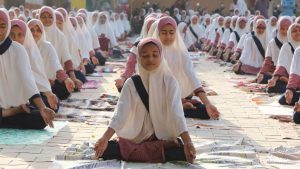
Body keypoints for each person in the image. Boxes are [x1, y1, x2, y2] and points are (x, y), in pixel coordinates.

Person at [94, 38, 196, 163]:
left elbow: (177, 113)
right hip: (136, 138)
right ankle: (160, 148)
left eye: (155, 55)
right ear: (139, 58)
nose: (150, 59)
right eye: (145, 55)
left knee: (182, 153)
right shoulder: (131, 83)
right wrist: (105, 138)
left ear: (161, 56)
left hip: (162, 135)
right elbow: (120, 114)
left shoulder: (170, 82)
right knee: (106, 150)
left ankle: (158, 147)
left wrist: (187, 142)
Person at [152, 16, 220, 119]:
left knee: (204, 112)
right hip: (155, 96)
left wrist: (207, 103)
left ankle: (177, 107)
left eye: (171, 33)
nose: (168, 36)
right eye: (164, 33)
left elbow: (192, 76)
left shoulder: (181, 53)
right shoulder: (152, 51)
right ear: (158, 33)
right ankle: (177, 108)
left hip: (176, 96)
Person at [0, 8, 55, 129]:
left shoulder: (18, 50)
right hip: (9, 112)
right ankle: (11, 113)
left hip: (15, 103)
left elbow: (27, 81)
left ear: (7, 27)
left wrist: (42, 107)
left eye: (3, 26)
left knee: (41, 119)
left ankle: (7, 116)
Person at [10, 19, 59, 112]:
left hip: (31, 93)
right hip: (9, 98)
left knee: (49, 106)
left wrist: (48, 93)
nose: (15, 39)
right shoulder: (4, 51)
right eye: (11, 35)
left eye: (20, 35)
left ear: (25, 36)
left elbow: (36, 77)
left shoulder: (30, 52)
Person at [28, 19, 75, 100]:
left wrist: (66, 79)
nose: (35, 33)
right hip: (29, 86)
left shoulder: (47, 46)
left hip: (48, 83)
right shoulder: (24, 47)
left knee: (64, 90)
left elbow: (55, 64)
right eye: (31, 30)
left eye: (38, 30)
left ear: (42, 32)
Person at [39, 6, 83, 90]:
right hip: (37, 77)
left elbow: (66, 58)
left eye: (50, 17)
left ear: (54, 18)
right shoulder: (35, 34)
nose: (47, 20)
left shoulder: (60, 36)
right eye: (43, 17)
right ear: (39, 18)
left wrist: (73, 78)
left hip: (55, 75)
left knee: (66, 90)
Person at [256, 17, 292, 85]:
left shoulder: (295, 43)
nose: (285, 31)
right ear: (278, 28)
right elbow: (267, 61)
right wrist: (262, 73)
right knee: (263, 79)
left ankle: (287, 81)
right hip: (276, 71)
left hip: (291, 72)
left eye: (287, 29)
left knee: (276, 85)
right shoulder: (272, 43)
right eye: (282, 29)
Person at [269, 23, 300, 94]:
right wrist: (274, 79)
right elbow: (281, 65)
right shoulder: (286, 47)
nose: (298, 33)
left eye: (299, 31)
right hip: (291, 77)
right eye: (294, 31)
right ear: (289, 33)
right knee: (272, 87)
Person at [279, 24, 300, 106]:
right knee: (283, 99)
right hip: (294, 81)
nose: (298, 33)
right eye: (294, 31)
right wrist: (290, 89)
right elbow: (295, 72)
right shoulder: (298, 51)